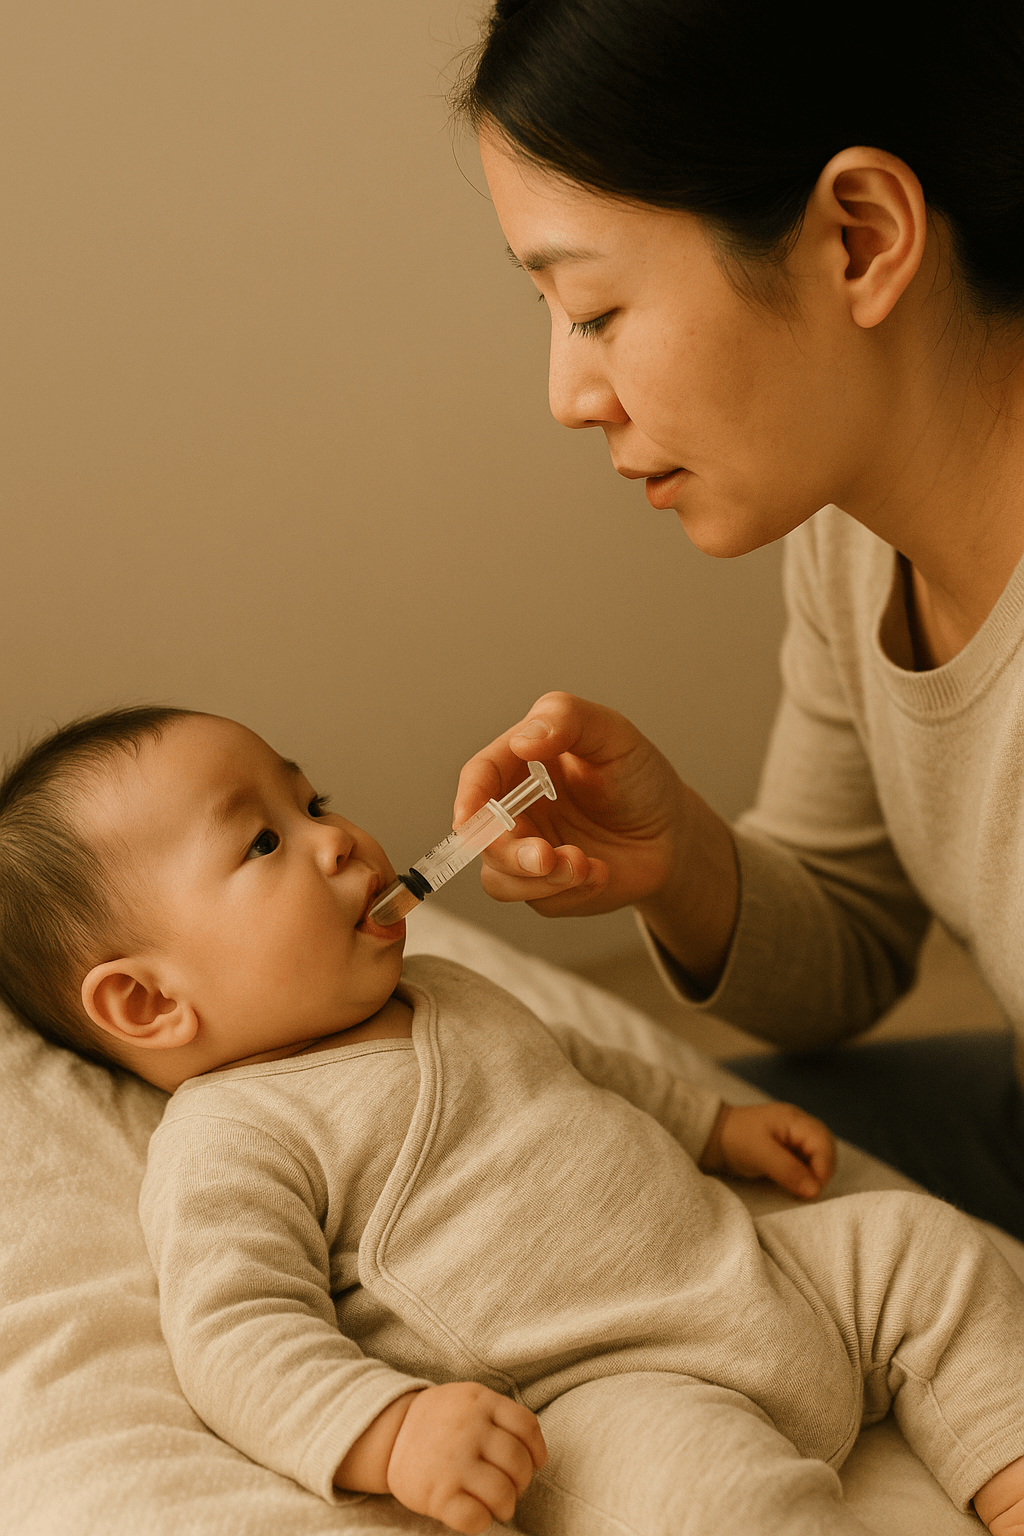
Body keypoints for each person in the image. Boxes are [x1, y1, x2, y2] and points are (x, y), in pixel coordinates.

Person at [2, 706, 1024, 1536]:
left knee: (922, 1248)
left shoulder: (449, 985)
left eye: (313, 800)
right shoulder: (234, 1135)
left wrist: (716, 1125)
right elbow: (236, 1330)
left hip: (754, 1266)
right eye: (264, 838)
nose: (335, 836)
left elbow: (586, 1069)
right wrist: (388, 1430)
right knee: (714, 1503)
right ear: (147, 1003)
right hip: (613, 1393)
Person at [450, 0, 1024, 1242]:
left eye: (594, 311)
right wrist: (677, 862)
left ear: (859, 238)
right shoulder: (850, 531)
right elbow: (851, 944)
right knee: (584, 1167)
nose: (565, 394)